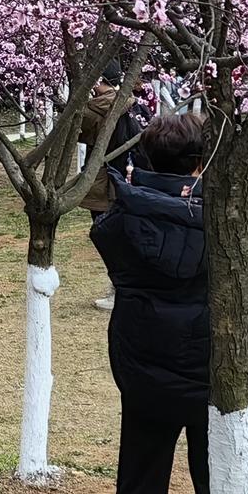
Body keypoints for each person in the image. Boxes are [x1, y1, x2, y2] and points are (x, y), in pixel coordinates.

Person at [91, 113, 248, 494]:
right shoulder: (224, 226)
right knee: (217, 475)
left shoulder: (121, 221)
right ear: (201, 162)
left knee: (141, 473)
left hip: (144, 368)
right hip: (212, 371)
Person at [82, 60, 147, 311]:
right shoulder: (132, 104)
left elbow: (76, 134)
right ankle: (128, 287)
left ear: (98, 81)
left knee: (108, 237)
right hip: (130, 178)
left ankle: (121, 289)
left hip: (103, 180)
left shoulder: (93, 110)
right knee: (127, 235)